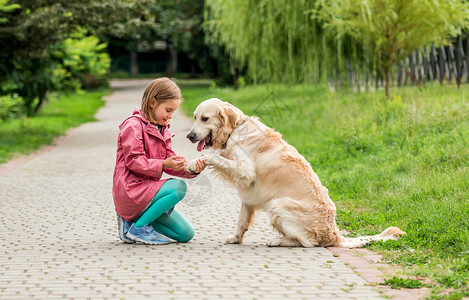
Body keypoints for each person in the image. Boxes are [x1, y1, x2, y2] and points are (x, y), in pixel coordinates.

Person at [112, 78, 206, 245]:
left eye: (173, 112)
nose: (170, 116)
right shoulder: (132, 126)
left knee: (185, 234)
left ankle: (134, 223)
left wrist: (193, 169)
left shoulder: (163, 129)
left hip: (149, 195)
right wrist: (163, 165)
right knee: (178, 187)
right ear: (153, 102)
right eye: (168, 110)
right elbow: (134, 161)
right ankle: (138, 229)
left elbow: (171, 162)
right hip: (131, 191)